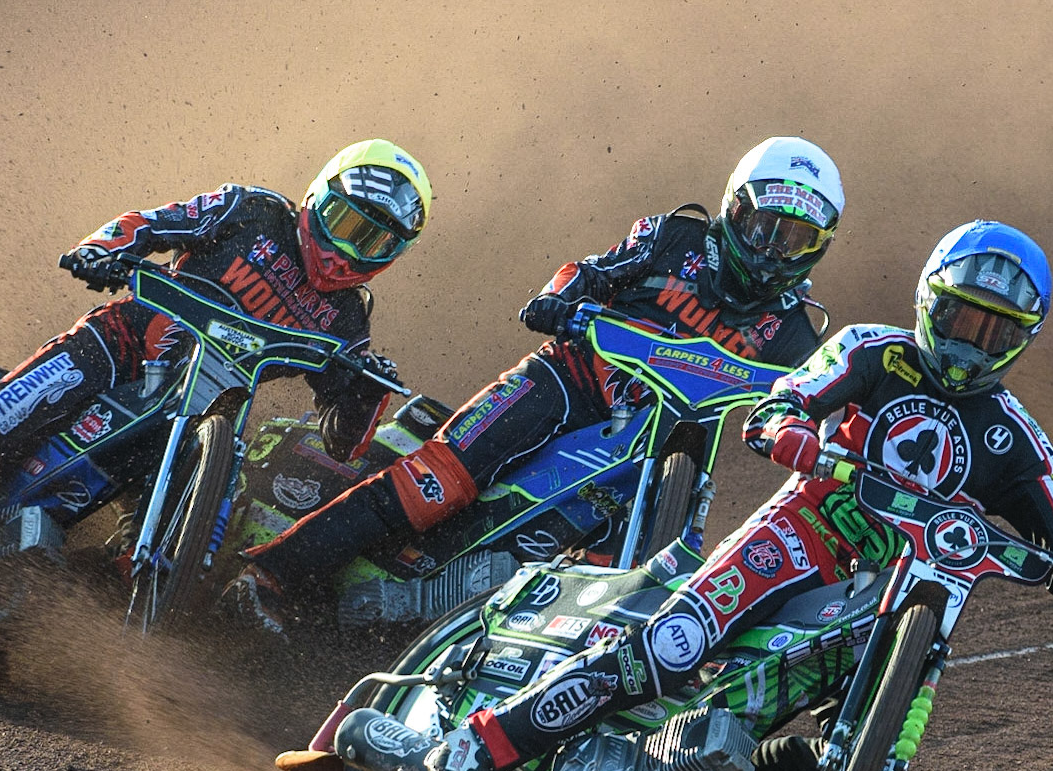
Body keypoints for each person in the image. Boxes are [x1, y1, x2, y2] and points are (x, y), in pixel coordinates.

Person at [403, 220, 1053, 771]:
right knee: (675, 644)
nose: (969, 343)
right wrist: (789, 428)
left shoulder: (1015, 438)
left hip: (899, 592)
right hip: (806, 531)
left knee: (869, 769)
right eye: (960, 319)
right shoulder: (872, 351)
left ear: (1021, 339)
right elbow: (786, 399)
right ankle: (486, 743)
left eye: (994, 332)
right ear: (929, 302)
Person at [0, 139, 431, 607]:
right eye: (344, 221)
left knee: (189, 552)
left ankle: (43, 622)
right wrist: (101, 249)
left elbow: (342, 438)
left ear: (393, 254)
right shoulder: (251, 210)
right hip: (116, 350)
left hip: (201, 423)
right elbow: (151, 224)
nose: (347, 251)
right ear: (317, 196)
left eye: (372, 239)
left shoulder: (349, 317)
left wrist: (366, 390)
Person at [225, 136, 844, 634]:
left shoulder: (797, 333)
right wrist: (560, 300)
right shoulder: (673, 237)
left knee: (661, 566)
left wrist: (811, 436)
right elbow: (588, 272)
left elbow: (809, 400)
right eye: (767, 228)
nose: (774, 251)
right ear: (735, 209)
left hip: (663, 453)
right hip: (566, 384)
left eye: (798, 240)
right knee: (434, 485)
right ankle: (268, 575)